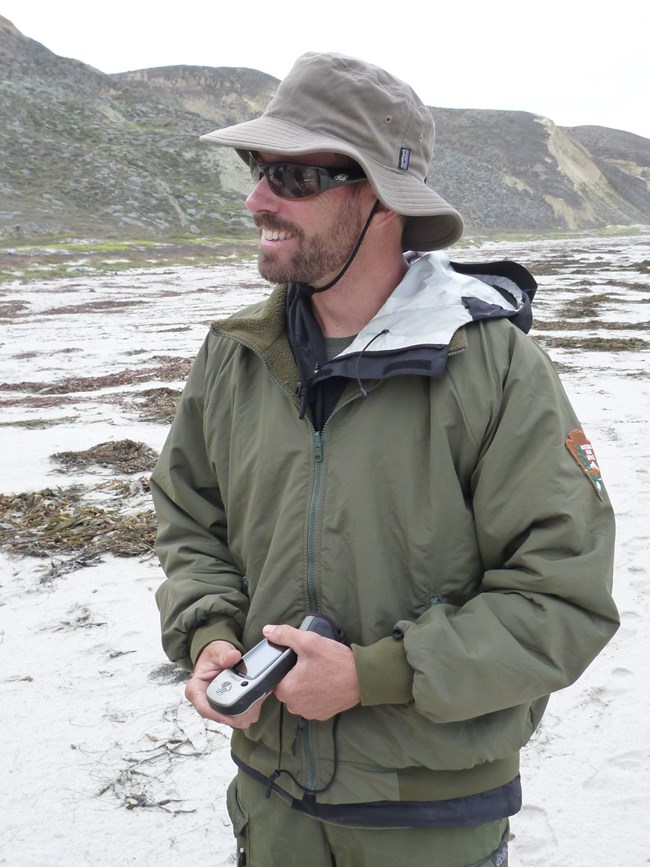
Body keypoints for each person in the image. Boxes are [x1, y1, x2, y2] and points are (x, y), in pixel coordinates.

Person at [152, 52, 619, 867]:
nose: (258, 198)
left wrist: (375, 675)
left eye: (292, 175)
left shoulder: (495, 367)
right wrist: (211, 634)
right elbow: (191, 523)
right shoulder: (235, 357)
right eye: (257, 169)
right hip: (270, 811)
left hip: (430, 821)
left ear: (379, 197)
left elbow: (563, 599)